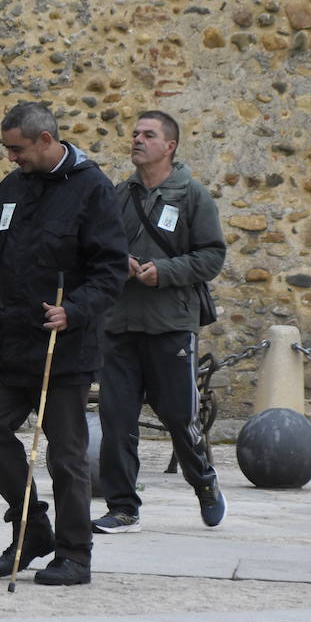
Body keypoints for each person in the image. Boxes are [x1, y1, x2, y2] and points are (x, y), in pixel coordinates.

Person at [0, 101, 127, 586]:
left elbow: (111, 269)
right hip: (6, 343)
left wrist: (72, 310)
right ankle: (31, 526)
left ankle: (74, 554)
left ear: (44, 140)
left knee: (66, 454)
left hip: (65, 348)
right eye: (6, 149)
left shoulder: (94, 189)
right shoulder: (11, 188)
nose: (11, 158)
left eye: (17, 149)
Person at [92, 111, 227, 534]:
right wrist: (121, 261)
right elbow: (99, 247)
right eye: (134, 133)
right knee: (116, 420)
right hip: (119, 325)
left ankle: (203, 481)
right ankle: (123, 507)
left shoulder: (192, 195)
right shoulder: (118, 194)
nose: (137, 140)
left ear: (169, 146)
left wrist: (163, 272)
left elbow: (212, 256)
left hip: (171, 325)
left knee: (178, 417)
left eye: (147, 135)